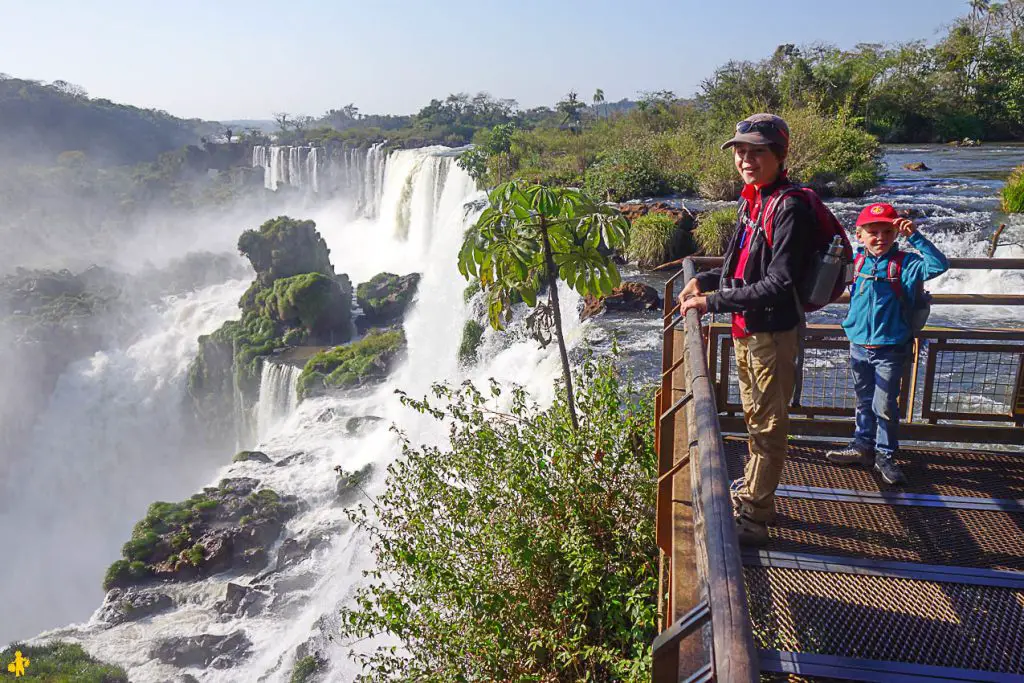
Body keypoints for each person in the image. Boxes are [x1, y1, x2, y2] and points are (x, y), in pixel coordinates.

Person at [678, 113, 812, 545]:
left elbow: (778, 284)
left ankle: (754, 518)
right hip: (746, 329)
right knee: (755, 418)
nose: (746, 159)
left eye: (757, 151)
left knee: (769, 426)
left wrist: (710, 302)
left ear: (779, 154)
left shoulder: (789, 206)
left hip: (771, 334)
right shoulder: (753, 199)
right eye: (740, 151)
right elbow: (742, 267)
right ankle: (753, 491)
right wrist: (706, 280)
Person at [826, 203, 949, 484]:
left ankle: (885, 455)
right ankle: (862, 446)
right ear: (860, 235)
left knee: (884, 404)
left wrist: (914, 236)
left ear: (895, 233)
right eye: (873, 232)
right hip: (858, 342)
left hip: (891, 346)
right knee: (863, 400)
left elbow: (939, 265)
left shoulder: (906, 264)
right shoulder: (855, 261)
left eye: (887, 232)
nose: (880, 237)